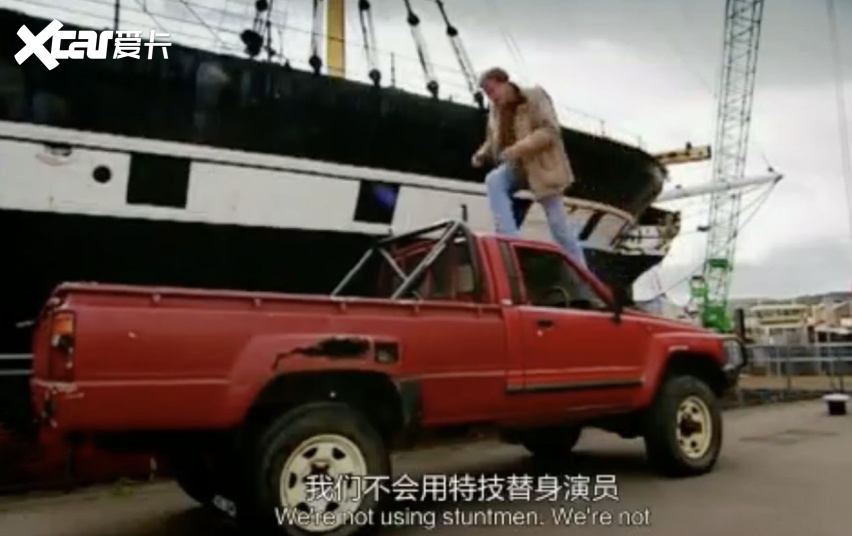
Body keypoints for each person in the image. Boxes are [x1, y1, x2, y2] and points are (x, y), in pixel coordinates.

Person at [471, 67, 588, 269]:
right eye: (487, 94)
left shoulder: (534, 97)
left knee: (559, 227)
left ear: (504, 82)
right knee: (494, 180)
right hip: (516, 168)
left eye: (492, 91)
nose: (491, 98)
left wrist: (518, 149)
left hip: (541, 168)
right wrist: (482, 153)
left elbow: (549, 131)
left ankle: (582, 270)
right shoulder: (496, 109)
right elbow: (492, 139)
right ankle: (509, 239)